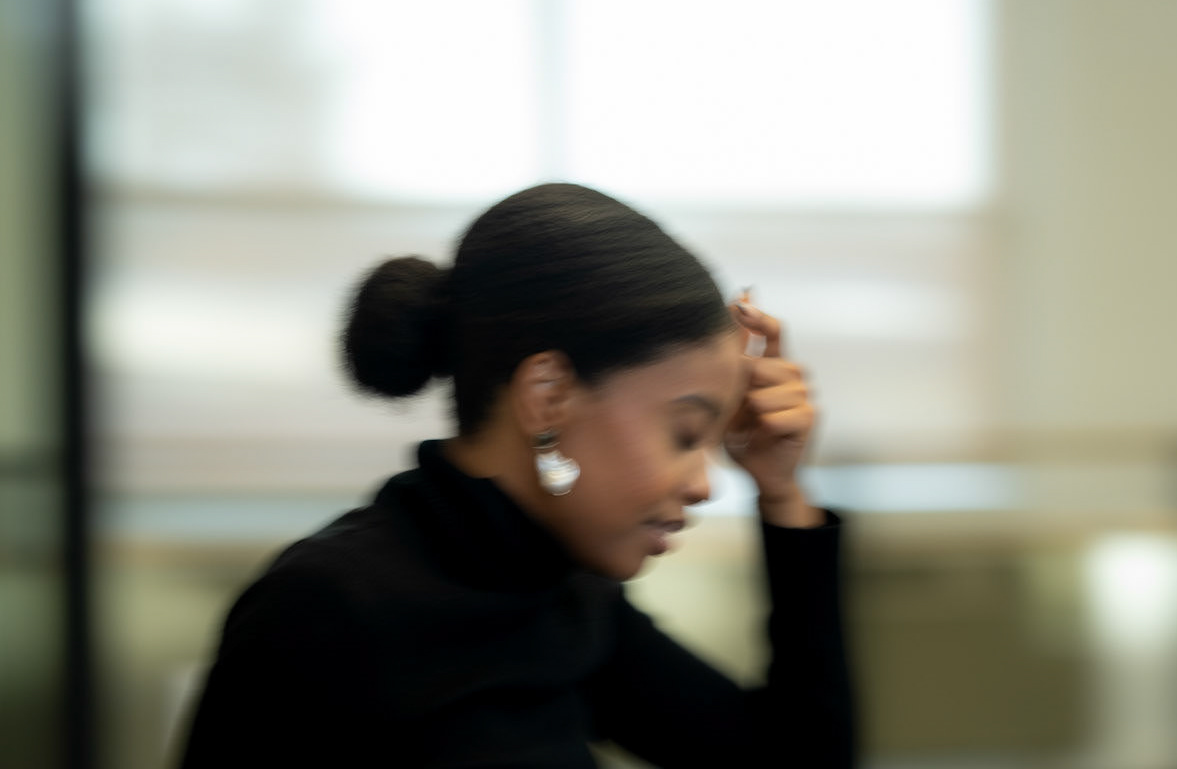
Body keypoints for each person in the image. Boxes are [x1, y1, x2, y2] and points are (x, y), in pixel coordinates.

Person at [177, 183, 854, 768]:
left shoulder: (565, 594)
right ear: (548, 395)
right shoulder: (323, 610)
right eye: (683, 434)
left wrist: (782, 493)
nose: (705, 483)